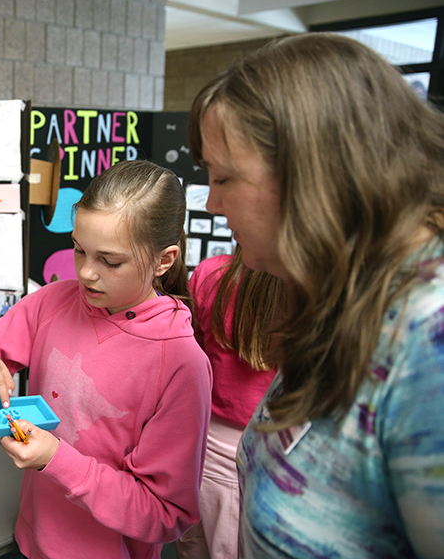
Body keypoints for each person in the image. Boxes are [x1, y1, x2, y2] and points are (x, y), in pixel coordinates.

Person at [188, 32, 444, 557]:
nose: (213, 205)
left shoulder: (428, 346)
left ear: (314, 175)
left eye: (226, 178)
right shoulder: (336, 300)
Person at [0, 160, 213, 559]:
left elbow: (167, 514)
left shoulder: (180, 363)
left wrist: (56, 459)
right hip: (32, 539)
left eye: (110, 262)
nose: (87, 273)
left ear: (164, 260)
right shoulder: (55, 300)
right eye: (78, 250)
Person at [174, 249, 284, 559]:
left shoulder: (211, 273)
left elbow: (193, 354)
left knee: (193, 544)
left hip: (205, 441)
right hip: (236, 443)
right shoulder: (310, 288)